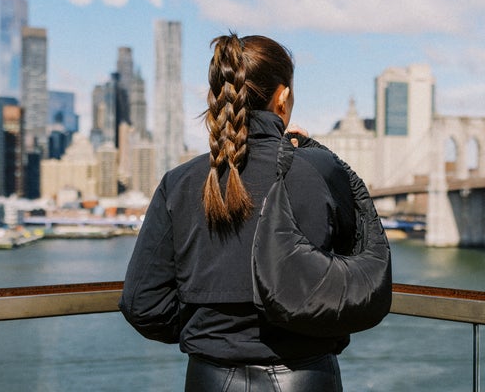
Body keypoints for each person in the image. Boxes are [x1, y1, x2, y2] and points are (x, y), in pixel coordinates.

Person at [119, 33, 364, 391]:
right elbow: (357, 282)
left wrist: (206, 334)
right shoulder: (322, 172)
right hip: (307, 377)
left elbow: (142, 303)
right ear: (282, 96)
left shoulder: (180, 183)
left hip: (211, 379)